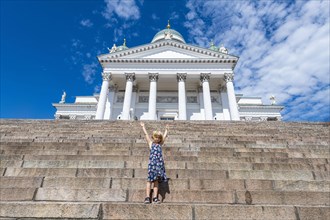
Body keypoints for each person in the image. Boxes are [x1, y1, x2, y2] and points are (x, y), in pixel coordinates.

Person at [140, 122, 169, 204]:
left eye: (159, 138)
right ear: (153, 137)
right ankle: (147, 197)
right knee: (149, 181)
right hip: (152, 165)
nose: (157, 139)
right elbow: (146, 135)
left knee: (156, 182)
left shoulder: (160, 144)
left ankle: (155, 197)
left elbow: (164, 137)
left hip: (159, 166)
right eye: (156, 137)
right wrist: (143, 127)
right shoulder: (151, 144)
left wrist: (166, 130)